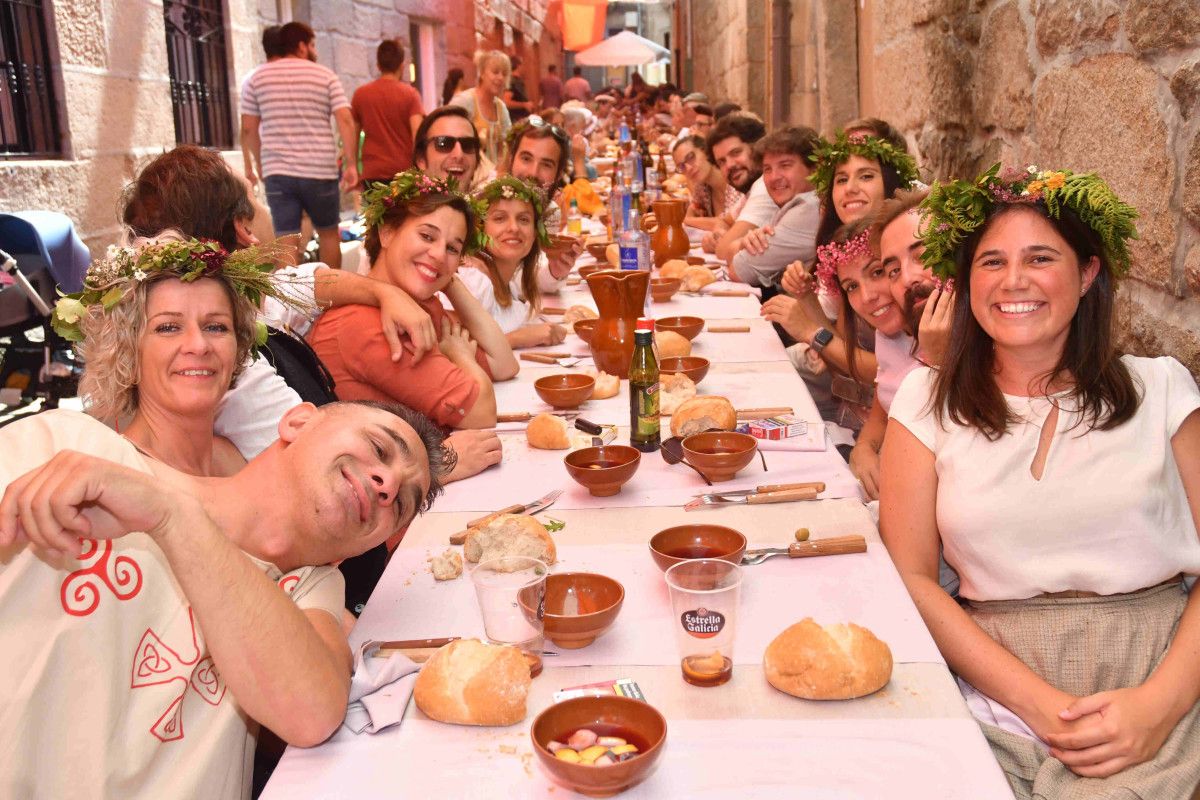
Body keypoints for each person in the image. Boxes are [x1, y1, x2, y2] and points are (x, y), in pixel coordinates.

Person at [881, 165, 1200, 799]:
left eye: (1040, 258)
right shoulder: (925, 401)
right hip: (996, 679)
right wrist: (1040, 706)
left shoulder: (1160, 389)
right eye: (991, 262)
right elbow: (913, 579)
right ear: (966, 281)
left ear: (1087, 274)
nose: (1014, 281)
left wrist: (1156, 708)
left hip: (1161, 669)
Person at [0, 394, 451, 798]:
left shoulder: (312, 591)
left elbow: (311, 713)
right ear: (297, 422)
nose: (386, 485)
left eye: (402, 504)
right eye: (379, 448)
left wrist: (173, 518)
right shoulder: (72, 447)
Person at [119, 144, 441, 461]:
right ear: (242, 229)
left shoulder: (249, 300)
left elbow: (306, 283)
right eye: (256, 199)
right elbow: (315, 454)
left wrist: (386, 293)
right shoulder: (227, 357)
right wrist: (438, 459)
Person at [308, 171, 518, 491]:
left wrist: (449, 278)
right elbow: (481, 413)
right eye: (427, 236)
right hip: (388, 519)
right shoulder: (367, 325)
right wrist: (463, 357)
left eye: (453, 247)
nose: (438, 252)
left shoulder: (420, 306)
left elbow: (504, 364)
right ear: (388, 232)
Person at [239, 21, 357, 269]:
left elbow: (248, 128)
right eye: (312, 44)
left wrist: (261, 163)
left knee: (286, 240)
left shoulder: (257, 78)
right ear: (302, 46)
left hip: (279, 173)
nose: (315, 50)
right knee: (328, 234)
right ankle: (332, 297)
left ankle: (291, 304)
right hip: (320, 171)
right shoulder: (325, 75)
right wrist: (351, 164)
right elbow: (345, 119)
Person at [458, 176, 566, 348]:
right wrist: (518, 338)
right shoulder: (472, 281)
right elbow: (454, 351)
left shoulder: (511, 283)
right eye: (500, 218)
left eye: (523, 219)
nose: (514, 228)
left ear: (535, 232)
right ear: (479, 229)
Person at [727, 125, 821, 288]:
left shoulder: (808, 209)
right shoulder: (796, 203)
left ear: (814, 168)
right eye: (767, 169)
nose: (773, 177)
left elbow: (738, 270)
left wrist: (741, 245)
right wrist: (744, 243)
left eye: (785, 165)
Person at [503, 116, 584, 280]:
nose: (533, 173)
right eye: (526, 158)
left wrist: (555, 270)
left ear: (559, 174)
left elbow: (520, 277)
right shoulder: (485, 208)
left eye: (546, 164)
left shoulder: (550, 209)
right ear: (511, 159)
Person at [351, 39, 425, 185]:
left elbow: (353, 136)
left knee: (374, 209)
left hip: (372, 173)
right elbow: (418, 134)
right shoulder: (411, 95)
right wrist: (421, 170)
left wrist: (353, 166)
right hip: (404, 174)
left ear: (378, 66)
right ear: (402, 65)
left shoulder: (361, 94)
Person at [703, 112, 769, 259]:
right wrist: (718, 234)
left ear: (756, 147)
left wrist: (720, 243)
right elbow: (723, 221)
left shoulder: (765, 187)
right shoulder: (752, 190)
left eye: (736, 153)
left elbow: (723, 250)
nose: (730, 165)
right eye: (721, 161)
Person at [450, 51, 513, 167]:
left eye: (504, 74)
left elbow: (509, 143)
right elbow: (448, 133)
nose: (500, 77)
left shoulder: (501, 108)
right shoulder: (465, 101)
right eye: (495, 72)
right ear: (482, 73)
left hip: (494, 178)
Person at [671, 134, 740, 232]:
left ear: (706, 151)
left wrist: (689, 220)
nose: (688, 168)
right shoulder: (702, 186)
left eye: (691, 157)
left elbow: (729, 226)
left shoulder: (735, 183)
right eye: (682, 166)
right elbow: (691, 210)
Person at [413, 105, 491, 190]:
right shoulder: (402, 202)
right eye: (444, 143)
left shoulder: (491, 201)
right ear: (421, 159)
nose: (459, 155)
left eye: (467, 144)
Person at [504, 55, 534, 123]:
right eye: (522, 64)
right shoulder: (512, 81)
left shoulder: (517, 80)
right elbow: (506, 102)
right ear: (518, 65)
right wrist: (524, 104)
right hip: (516, 121)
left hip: (521, 120)